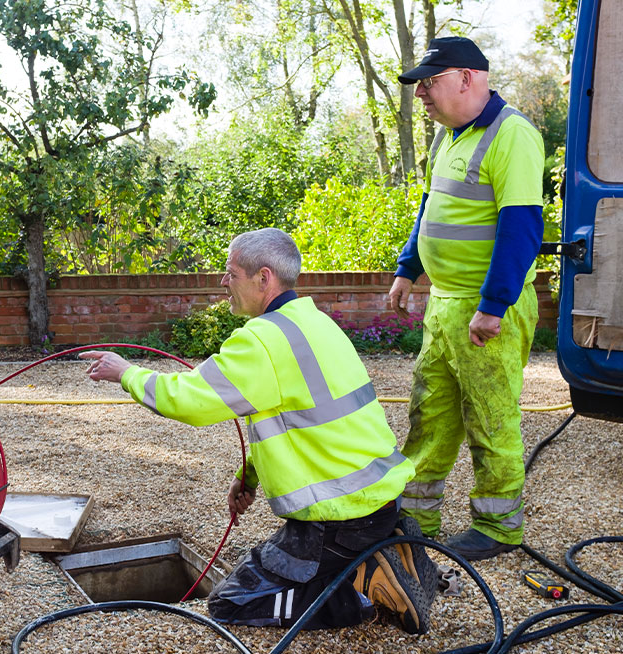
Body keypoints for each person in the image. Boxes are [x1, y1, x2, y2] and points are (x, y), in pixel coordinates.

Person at [82, 228, 437, 634]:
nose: (222, 281)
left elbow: (188, 400)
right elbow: (301, 423)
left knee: (232, 603)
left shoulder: (263, 341)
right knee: (264, 573)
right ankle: (383, 546)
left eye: (230, 272)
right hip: (376, 502)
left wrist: (124, 372)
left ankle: (363, 585)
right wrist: (247, 476)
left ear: (263, 278)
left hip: (340, 519)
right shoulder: (314, 322)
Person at [388, 37, 545, 560]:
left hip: (484, 309)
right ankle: (414, 516)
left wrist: (494, 305)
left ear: (467, 78)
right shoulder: (446, 138)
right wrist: (408, 270)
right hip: (445, 304)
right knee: (429, 413)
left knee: (490, 417)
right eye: (419, 86)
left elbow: (520, 228)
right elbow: (431, 210)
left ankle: (498, 528)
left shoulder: (512, 135)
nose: (422, 96)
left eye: (429, 83)